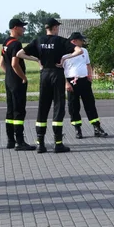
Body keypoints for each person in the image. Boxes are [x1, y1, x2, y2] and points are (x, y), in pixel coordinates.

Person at [16, 18, 84, 153]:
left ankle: (40, 143)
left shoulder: (38, 40)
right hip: (57, 74)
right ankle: (58, 143)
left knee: (43, 107)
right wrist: (65, 58)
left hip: (45, 74)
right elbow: (79, 50)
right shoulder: (60, 41)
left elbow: (19, 54)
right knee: (58, 107)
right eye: (57, 27)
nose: (58, 29)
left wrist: (37, 59)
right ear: (54, 28)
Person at [0, 17, 35, 150]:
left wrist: (9, 74)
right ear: (15, 28)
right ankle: (20, 142)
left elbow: (1, 63)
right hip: (17, 82)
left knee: (10, 111)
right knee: (19, 111)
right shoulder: (16, 44)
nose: (24, 29)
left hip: (8, 80)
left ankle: (10, 140)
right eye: (22, 27)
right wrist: (23, 77)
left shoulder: (5, 42)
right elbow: (15, 64)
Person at [64, 32, 107, 139]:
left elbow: (88, 64)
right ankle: (77, 129)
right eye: (81, 40)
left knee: (90, 105)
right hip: (71, 82)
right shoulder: (64, 52)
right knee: (73, 107)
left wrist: (90, 75)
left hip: (84, 80)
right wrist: (66, 83)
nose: (83, 42)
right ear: (74, 41)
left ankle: (97, 128)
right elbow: (61, 69)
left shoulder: (84, 51)